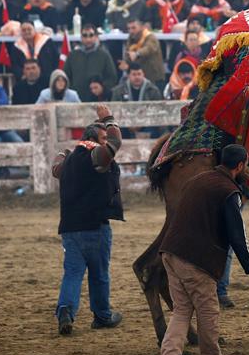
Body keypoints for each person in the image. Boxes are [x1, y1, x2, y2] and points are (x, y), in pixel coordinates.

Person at [158, 144, 249, 355]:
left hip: (170, 251)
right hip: (197, 259)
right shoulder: (229, 192)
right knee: (208, 311)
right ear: (240, 165)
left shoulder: (199, 180)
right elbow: (238, 236)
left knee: (182, 311)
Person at [52, 103, 124, 336]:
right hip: (95, 226)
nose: (105, 141)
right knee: (99, 273)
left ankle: (65, 310)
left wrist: (64, 152)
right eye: (102, 137)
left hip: (70, 229)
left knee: (72, 273)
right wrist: (109, 119)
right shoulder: (96, 156)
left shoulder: (69, 163)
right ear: (93, 139)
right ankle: (102, 315)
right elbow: (115, 144)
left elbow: (55, 167)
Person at [64, 25, 118, 102]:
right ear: (81, 37)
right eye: (85, 36)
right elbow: (65, 77)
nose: (88, 39)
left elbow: (112, 78)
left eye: (91, 35)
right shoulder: (73, 55)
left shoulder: (104, 55)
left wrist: (102, 88)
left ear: (96, 37)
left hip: (98, 101)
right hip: (75, 101)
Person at [120, 21, 166, 88]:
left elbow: (148, 48)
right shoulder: (131, 38)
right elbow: (128, 54)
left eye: (133, 28)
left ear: (141, 27)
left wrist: (137, 54)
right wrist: (126, 64)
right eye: (129, 28)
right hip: (138, 79)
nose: (131, 31)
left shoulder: (150, 37)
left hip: (154, 79)